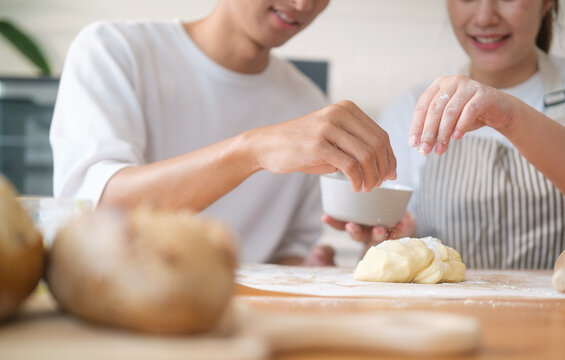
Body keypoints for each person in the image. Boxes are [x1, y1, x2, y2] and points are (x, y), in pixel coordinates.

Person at [50, 0, 397, 266]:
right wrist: (253, 150)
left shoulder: (308, 102)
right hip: (119, 314)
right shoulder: (114, 50)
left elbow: (289, 252)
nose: (304, 5)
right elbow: (92, 210)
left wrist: (308, 271)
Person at [324, 0, 565, 269]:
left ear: (547, 3)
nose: (485, 17)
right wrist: (393, 237)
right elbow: (385, 241)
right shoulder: (413, 106)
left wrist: (510, 116)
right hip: (441, 326)